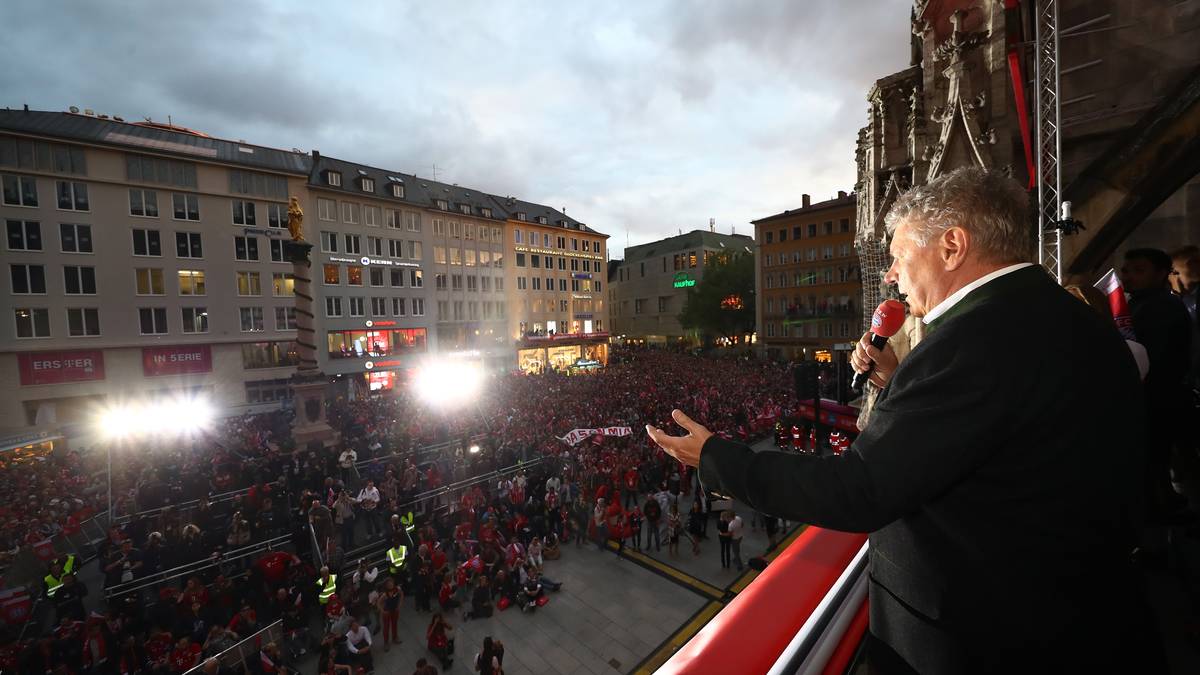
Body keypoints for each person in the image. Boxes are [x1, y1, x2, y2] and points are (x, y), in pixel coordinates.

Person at [646, 168, 1159, 674]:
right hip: (1083, 614)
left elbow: (861, 488)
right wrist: (897, 382)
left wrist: (715, 457)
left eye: (898, 255)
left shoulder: (971, 341)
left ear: (952, 246)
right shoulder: (1074, 322)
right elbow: (992, 441)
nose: (891, 274)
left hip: (992, 640)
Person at [377, 576, 403, 651]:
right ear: (386, 585)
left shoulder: (397, 589)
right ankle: (386, 643)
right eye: (388, 584)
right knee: (386, 627)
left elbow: (401, 595)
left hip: (395, 610)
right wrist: (382, 611)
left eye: (391, 582)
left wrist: (399, 605)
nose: (390, 584)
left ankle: (395, 638)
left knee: (395, 624)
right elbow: (378, 603)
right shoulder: (384, 594)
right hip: (387, 612)